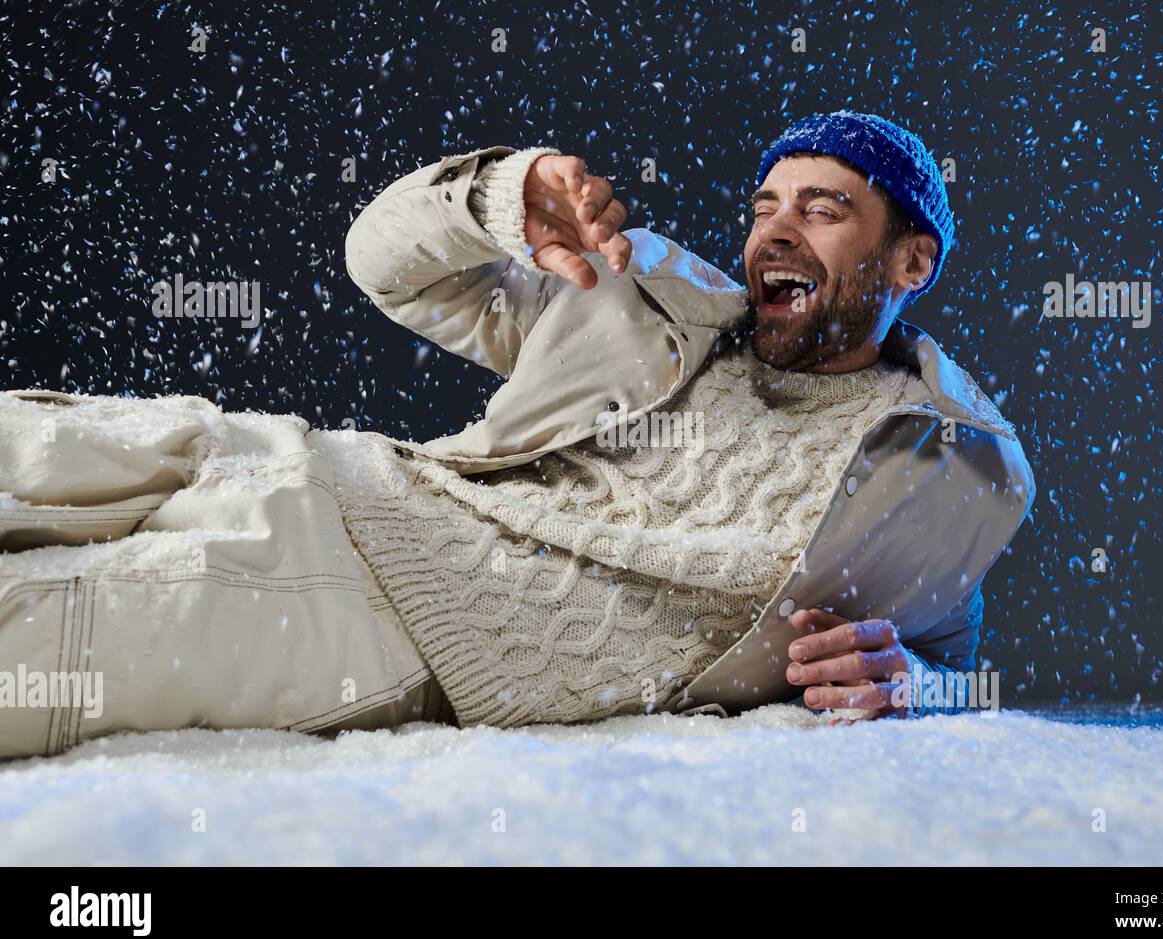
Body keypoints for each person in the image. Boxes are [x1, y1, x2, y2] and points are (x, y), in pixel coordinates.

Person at [0, 111, 1034, 758]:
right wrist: (502, 197)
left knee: (35, 641)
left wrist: (922, 690)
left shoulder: (930, 482)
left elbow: (940, 661)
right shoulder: (642, 299)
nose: (774, 229)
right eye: (766, 204)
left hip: (368, 608)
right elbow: (382, 262)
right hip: (303, 462)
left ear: (909, 263)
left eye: (823, 210)